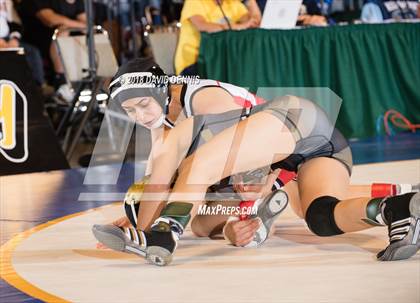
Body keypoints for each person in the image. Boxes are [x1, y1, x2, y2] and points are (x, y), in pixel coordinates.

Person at [92, 59, 419, 265]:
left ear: (164, 90)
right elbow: (159, 182)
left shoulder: (200, 99)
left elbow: (178, 176)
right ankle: (398, 209)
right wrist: (133, 217)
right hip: (308, 149)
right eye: (130, 111)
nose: (140, 116)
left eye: (143, 105)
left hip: (293, 124)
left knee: (199, 169)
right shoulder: (162, 118)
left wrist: (144, 227)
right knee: (320, 217)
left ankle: (164, 235)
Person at [17, 0, 87, 101]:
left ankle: (101, 85)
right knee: (62, 32)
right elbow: (50, 20)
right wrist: (77, 25)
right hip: (37, 42)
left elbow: (87, 24)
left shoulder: (79, 2)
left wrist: (68, 24)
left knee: (94, 34)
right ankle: (61, 82)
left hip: (69, 41)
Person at [174, 0, 259, 76]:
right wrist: (241, 26)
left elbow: (254, 24)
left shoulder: (231, 3)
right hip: (194, 63)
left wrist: (250, 2)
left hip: (221, 62)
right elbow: (203, 26)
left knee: (250, 70)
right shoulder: (194, 2)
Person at [0, 0, 47, 89]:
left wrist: (14, 39)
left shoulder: (6, 2)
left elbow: (16, 24)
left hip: (8, 38)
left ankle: (38, 86)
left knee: (32, 52)